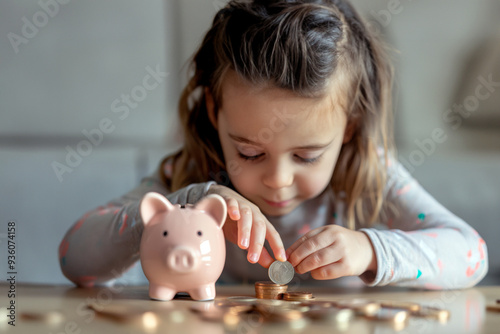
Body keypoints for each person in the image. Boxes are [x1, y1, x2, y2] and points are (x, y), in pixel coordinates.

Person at [59, 0, 488, 289]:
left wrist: (371, 250)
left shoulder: (368, 176)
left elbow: (471, 253)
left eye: (307, 156)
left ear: (351, 126)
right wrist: (186, 205)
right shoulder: (190, 179)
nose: (277, 180)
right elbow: (74, 258)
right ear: (214, 111)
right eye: (249, 152)